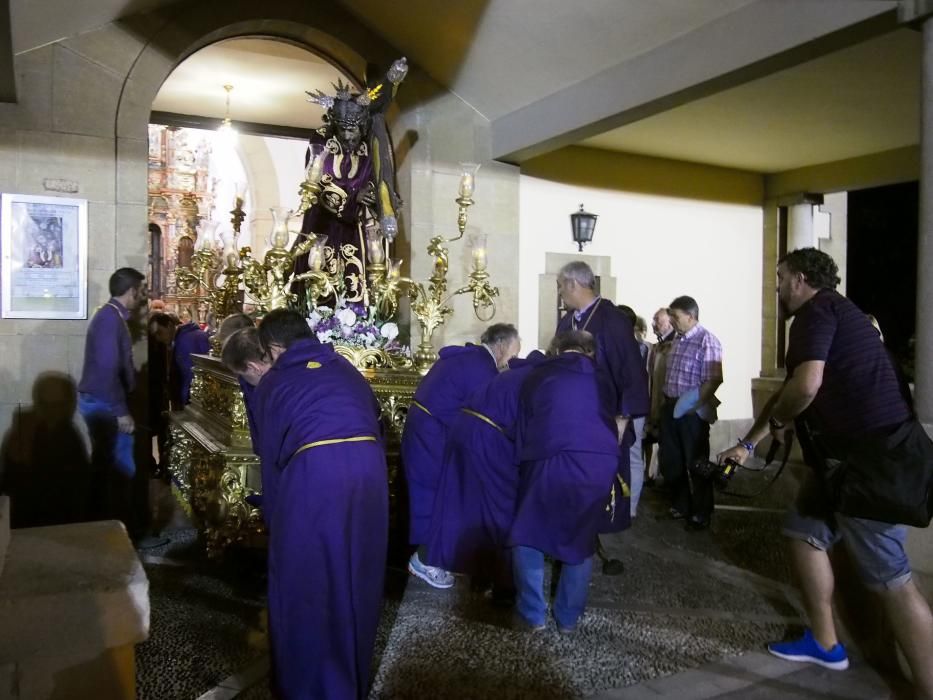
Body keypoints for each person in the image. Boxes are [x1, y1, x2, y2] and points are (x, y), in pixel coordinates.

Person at [718, 248, 933, 695]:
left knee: (894, 581)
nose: (775, 287)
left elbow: (807, 385)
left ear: (799, 278)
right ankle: (824, 642)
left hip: (869, 469)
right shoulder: (842, 311)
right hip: (848, 466)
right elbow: (789, 394)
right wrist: (747, 443)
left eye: (779, 278)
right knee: (803, 531)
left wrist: (779, 422)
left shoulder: (815, 313)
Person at [251, 309, 388, 700]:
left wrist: (276, 521)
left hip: (314, 475)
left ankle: (310, 686)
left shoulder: (275, 380)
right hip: (369, 474)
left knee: (304, 582)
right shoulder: (346, 367)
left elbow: (271, 457)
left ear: (274, 348)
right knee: (356, 576)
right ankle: (352, 681)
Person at [508, 331, 619, 632]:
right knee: (580, 537)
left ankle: (533, 614)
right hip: (599, 460)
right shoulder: (604, 378)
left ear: (558, 349)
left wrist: (520, 461)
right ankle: (568, 618)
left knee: (527, 533)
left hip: (550, 455)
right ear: (591, 352)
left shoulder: (541, 373)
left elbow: (524, 420)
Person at [402, 323, 521, 588]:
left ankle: (434, 556)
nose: (511, 362)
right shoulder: (482, 369)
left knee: (435, 494)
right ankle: (424, 561)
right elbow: (484, 415)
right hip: (432, 436)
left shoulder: (470, 358)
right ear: (501, 346)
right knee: (436, 496)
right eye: (513, 353)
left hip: (428, 429)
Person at [424, 349, 547, 600]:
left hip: (465, 430)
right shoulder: (538, 380)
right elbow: (526, 428)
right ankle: (504, 585)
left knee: (472, 507)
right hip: (487, 439)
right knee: (502, 509)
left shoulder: (516, 373)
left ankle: (478, 575)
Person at [295, 58, 408, 300]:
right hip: (323, 224)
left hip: (355, 227)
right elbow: (319, 179)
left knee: (356, 282)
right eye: (343, 129)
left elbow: (375, 175)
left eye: (353, 129)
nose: (348, 135)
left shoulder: (367, 146)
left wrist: (381, 199)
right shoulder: (321, 139)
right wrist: (352, 196)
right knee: (320, 281)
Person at [556, 262, 649, 540]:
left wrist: (623, 418)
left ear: (574, 284)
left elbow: (631, 371)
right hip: (573, 416)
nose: (560, 293)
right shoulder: (568, 321)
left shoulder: (613, 320)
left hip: (605, 415)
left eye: (561, 286)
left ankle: (598, 528)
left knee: (603, 479)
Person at [77, 267, 147, 525]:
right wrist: (121, 411)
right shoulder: (109, 319)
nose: (143, 298)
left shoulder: (111, 316)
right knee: (119, 470)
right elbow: (108, 368)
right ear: (131, 291)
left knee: (105, 468)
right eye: (142, 291)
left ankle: (104, 528)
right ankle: (120, 532)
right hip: (105, 404)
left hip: (102, 400)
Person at [660, 295, 723, 531]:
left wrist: (693, 407)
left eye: (675, 317)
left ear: (691, 316)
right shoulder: (678, 340)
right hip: (671, 407)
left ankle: (701, 511)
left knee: (696, 464)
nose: (672, 321)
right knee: (672, 461)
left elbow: (713, 379)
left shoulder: (707, 341)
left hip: (692, 412)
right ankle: (681, 504)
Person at [617, 304, 651, 517]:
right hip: (636, 406)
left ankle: (628, 507)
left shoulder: (633, 347)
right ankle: (629, 507)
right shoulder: (642, 347)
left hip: (627, 407)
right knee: (634, 455)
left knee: (632, 456)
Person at [148, 312, 210, 408]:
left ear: (169, 325)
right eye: (155, 336)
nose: (158, 339)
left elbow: (191, 377)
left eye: (159, 333)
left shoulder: (184, 341)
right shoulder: (188, 335)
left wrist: (185, 401)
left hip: (196, 400)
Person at [645, 307, 676, 482]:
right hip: (656, 400)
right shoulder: (656, 347)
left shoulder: (674, 345)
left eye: (658, 320)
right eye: (654, 319)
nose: (654, 324)